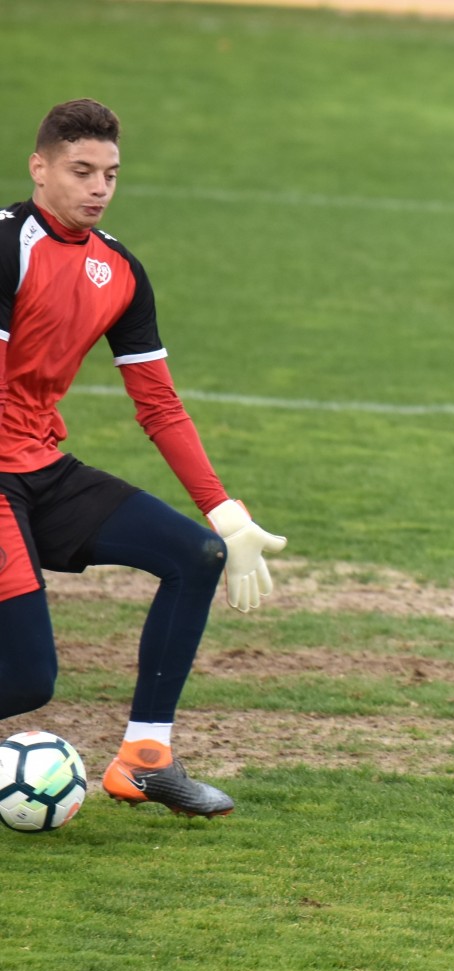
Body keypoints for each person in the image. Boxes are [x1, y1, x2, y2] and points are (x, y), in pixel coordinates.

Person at [0, 99, 287, 816]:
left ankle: (145, 760)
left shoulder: (119, 270)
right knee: (27, 680)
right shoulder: (6, 246)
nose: (98, 187)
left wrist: (225, 512)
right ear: (39, 168)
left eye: (111, 174)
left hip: (38, 464)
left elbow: (158, 402)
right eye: (81, 171)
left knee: (195, 554)